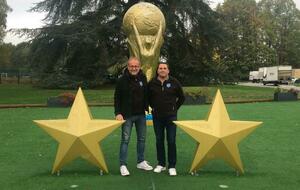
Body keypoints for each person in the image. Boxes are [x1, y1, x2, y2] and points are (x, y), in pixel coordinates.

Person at [114, 57, 153, 176]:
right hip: (127, 116)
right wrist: (118, 113)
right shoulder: (121, 80)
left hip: (141, 114)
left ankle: (141, 161)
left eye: (136, 66)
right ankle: (123, 165)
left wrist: (149, 108)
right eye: (131, 66)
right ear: (128, 66)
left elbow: (146, 94)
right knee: (125, 140)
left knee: (142, 139)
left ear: (139, 66)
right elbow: (117, 98)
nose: (134, 68)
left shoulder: (143, 77)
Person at [148, 62, 185, 176]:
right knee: (159, 140)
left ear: (168, 70)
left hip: (171, 117)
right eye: (160, 68)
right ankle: (161, 164)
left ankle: (172, 166)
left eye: (164, 68)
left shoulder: (174, 82)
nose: (162, 70)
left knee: (171, 140)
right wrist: (153, 107)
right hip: (157, 117)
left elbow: (182, 97)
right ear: (157, 70)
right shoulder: (152, 83)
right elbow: (148, 97)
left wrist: (174, 108)